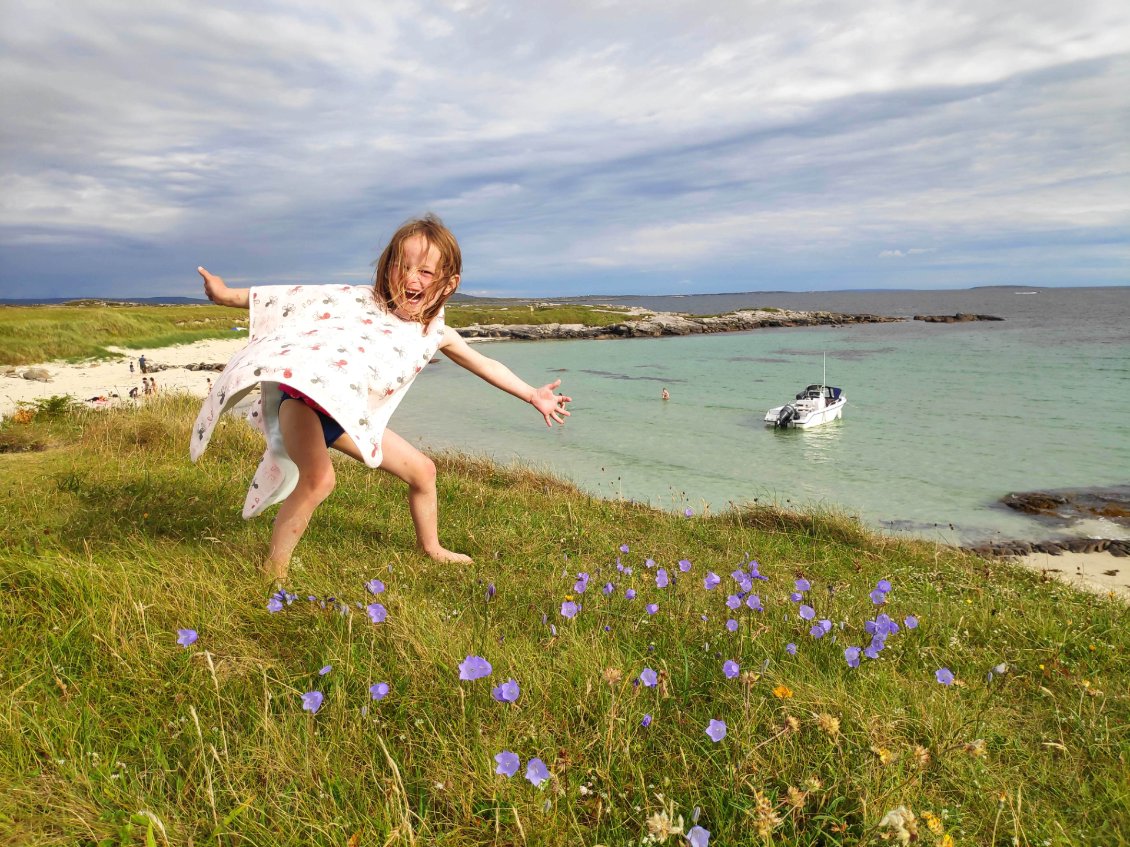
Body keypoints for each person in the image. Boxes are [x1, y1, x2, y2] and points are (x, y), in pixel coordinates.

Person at [191, 214, 572, 582]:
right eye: (401, 266)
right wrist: (226, 296)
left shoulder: (435, 333)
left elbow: (485, 364)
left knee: (424, 472)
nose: (410, 278)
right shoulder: (359, 301)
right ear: (386, 266)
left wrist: (531, 394)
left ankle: (432, 547)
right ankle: (274, 572)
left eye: (424, 272)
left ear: (448, 283)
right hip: (302, 405)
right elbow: (290, 298)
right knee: (320, 480)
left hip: (348, 418)